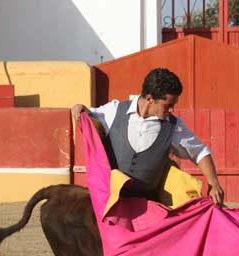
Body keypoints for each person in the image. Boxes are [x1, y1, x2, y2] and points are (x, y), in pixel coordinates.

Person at [71, 68, 224, 206]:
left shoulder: (173, 125)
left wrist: (214, 182)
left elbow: (200, 152)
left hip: (148, 206)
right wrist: (78, 108)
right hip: (111, 201)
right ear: (150, 98)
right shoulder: (114, 110)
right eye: (167, 105)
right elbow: (88, 116)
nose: (171, 110)